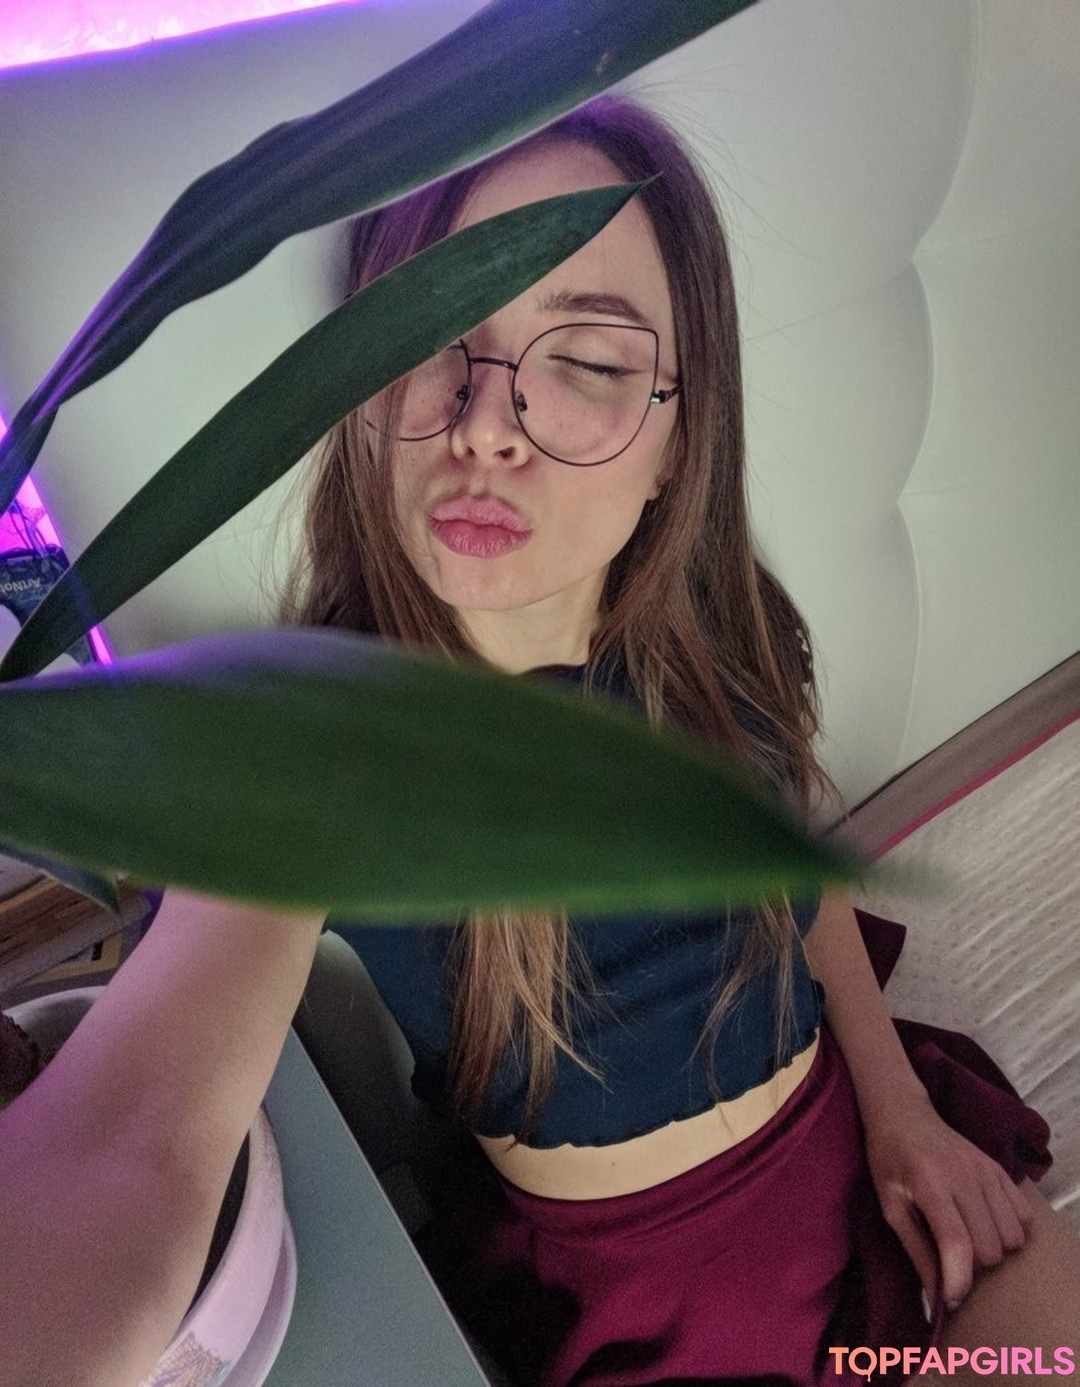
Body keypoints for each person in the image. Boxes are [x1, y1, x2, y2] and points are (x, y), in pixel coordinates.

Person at [0, 95, 1076, 1387]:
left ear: (677, 436)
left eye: (591, 363)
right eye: (429, 341)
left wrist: (904, 1114)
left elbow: (796, 872)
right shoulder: (325, 747)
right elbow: (130, 1142)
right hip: (642, 1324)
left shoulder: (715, 637)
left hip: (874, 1182)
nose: (487, 425)